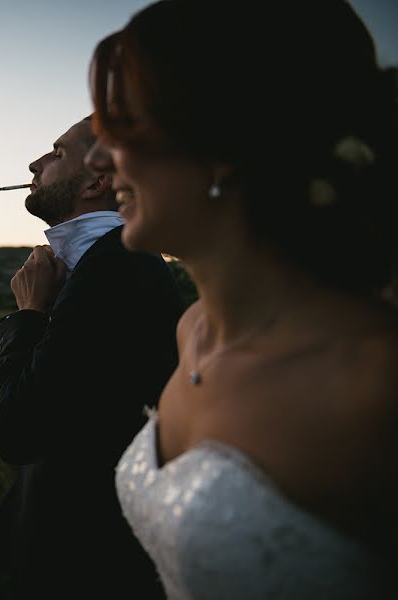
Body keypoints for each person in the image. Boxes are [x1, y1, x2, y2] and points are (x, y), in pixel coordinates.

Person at [85, 1, 398, 598]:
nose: (100, 162)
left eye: (121, 124)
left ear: (220, 142)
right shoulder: (192, 332)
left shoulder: (373, 382)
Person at [0, 116, 184, 599]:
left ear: (96, 180)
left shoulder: (114, 270)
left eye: (56, 153)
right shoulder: (106, 264)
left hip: (88, 564)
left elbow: (18, 429)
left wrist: (28, 316)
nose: (35, 163)